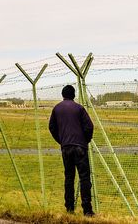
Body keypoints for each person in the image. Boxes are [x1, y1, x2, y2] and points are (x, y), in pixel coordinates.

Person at [49, 84, 95, 217]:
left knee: (69, 177)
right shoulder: (79, 108)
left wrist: (62, 141)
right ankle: (87, 209)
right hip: (80, 146)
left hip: (66, 148)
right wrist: (85, 141)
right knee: (84, 177)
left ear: (62, 95)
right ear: (74, 95)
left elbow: (52, 127)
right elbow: (89, 127)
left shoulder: (56, 109)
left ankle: (69, 208)